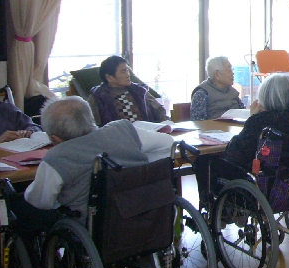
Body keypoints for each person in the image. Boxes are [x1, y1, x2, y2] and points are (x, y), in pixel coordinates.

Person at [13, 97, 172, 230]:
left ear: (54, 138)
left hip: (93, 226)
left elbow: (40, 201)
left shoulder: (57, 158)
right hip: (142, 214)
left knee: (19, 206)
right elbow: (167, 144)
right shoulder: (123, 130)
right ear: (91, 119)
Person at [224, 73, 289, 171]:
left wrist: (252, 117)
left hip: (263, 175)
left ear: (264, 97)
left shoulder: (259, 121)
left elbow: (234, 154)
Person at [88, 55, 167, 126]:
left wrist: (167, 125)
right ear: (109, 78)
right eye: (123, 72)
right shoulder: (98, 97)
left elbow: (159, 110)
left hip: (147, 132)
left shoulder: (139, 91)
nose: (128, 75)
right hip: (117, 136)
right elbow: (91, 125)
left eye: (127, 71)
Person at [190, 56, 244, 120]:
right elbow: (198, 122)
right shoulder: (202, 94)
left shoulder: (233, 92)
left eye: (232, 69)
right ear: (217, 74)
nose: (232, 73)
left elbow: (243, 113)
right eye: (229, 70)